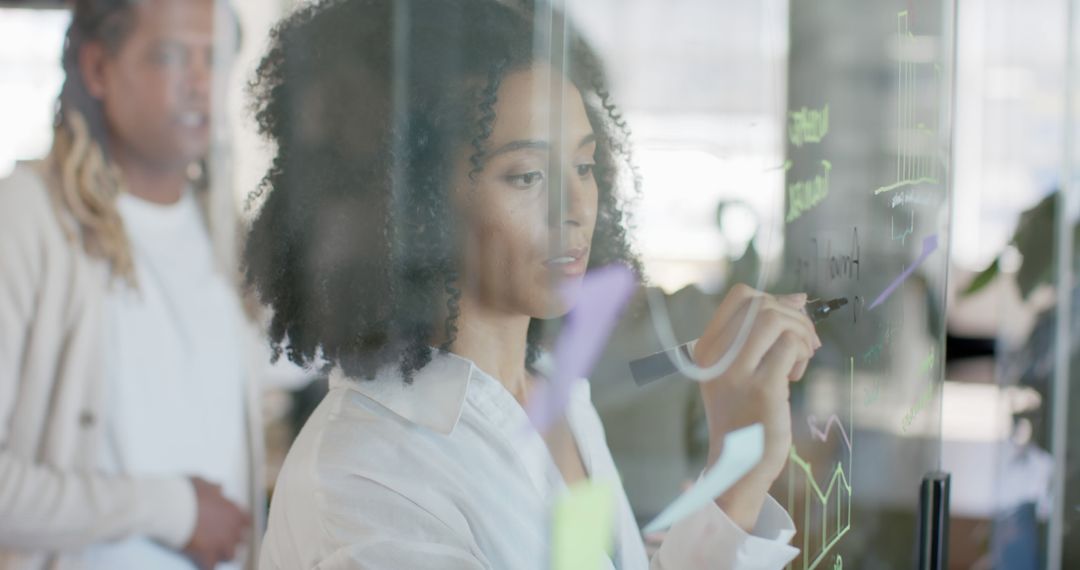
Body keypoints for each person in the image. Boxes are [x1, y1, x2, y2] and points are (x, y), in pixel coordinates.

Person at [246, 0, 820, 568]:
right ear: (414, 205)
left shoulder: (556, 396)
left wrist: (738, 473)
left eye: (585, 167)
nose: (575, 209)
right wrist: (734, 481)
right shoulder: (363, 476)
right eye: (526, 175)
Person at [0, 1, 265, 568]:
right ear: (98, 69)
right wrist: (175, 510)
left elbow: (298, 357)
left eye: (214, 58)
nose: (201, 83)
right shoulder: (28, 219)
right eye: (171, 56)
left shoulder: (224, 234)